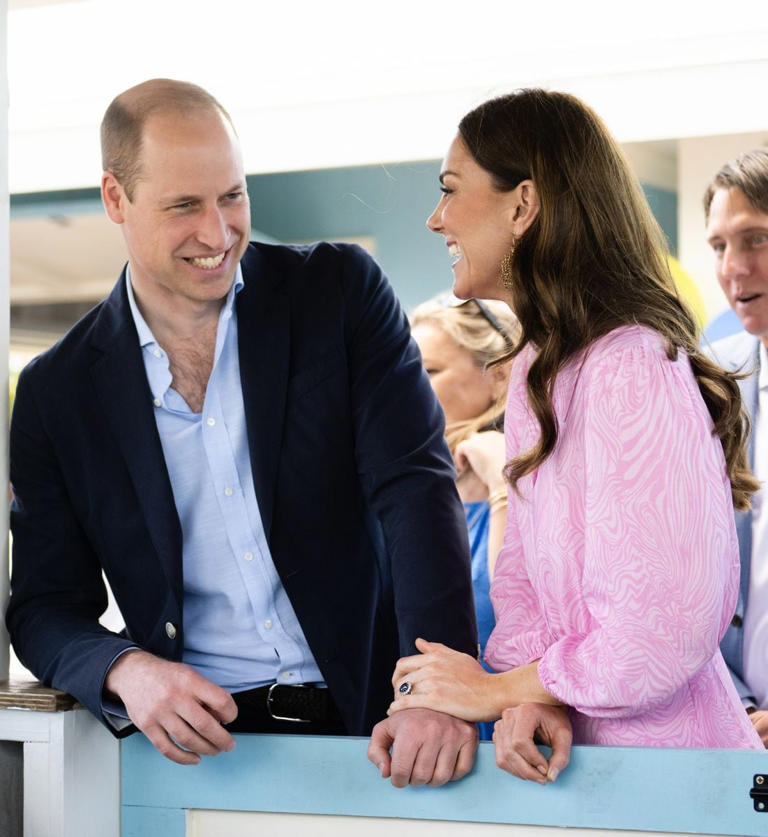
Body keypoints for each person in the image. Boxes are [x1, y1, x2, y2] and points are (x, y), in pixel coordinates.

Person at [5, 78, 480, 786]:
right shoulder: (56, 392)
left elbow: (415, 488)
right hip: (204, 757)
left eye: (232, 196)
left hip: (382, 725)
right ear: (115, 199)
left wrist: (438, 690)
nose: (218, 231)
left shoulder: (340, 292)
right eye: (184, 207)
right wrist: (125, 669)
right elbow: (43, 603)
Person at [387, 88, 763, 783]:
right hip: (574, 778)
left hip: (673, 786)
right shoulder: (540, 366)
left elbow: (661, 631)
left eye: (450, 189)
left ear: (523, 204)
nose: (437, 217)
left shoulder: (632, 364)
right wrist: (534, 697)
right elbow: (525, 586)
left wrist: (496, 689)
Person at [410, 294, 514, 741]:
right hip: (426, 747)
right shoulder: (407, 490)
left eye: (429, 371)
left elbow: (523, 615)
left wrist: (504, 486)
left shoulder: (534, 478)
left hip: (518, 746)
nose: (406, 387)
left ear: (498, 375)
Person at [704, 149, 768, 747]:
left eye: (757, 239)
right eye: (720, 246)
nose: (734, 268)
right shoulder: (718, 388)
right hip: (741, 729)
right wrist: (741, 709)